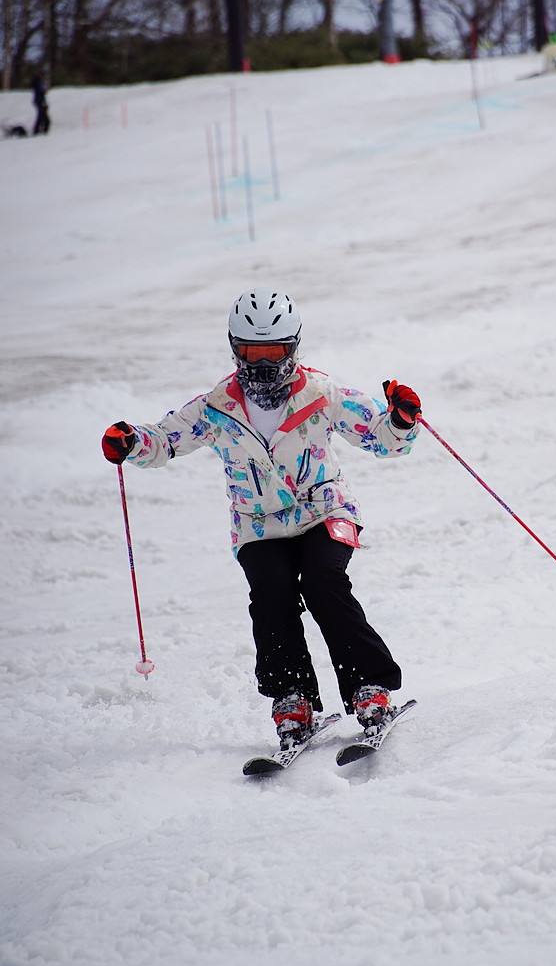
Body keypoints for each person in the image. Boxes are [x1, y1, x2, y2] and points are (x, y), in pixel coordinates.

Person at [102, 288, 422, 749]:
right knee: (271, 595)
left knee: (322, 581)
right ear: (236, 348)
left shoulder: (321, 393)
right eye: (252, 351)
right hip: (258, 524)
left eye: (274, 351)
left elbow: (381, 438)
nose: (263, 362)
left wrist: (401, 420)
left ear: (292, 348)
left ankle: (370, 689)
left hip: (324, 510)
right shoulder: (217, 407)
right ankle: (294, 699)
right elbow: (166, 439)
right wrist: (131, 442)